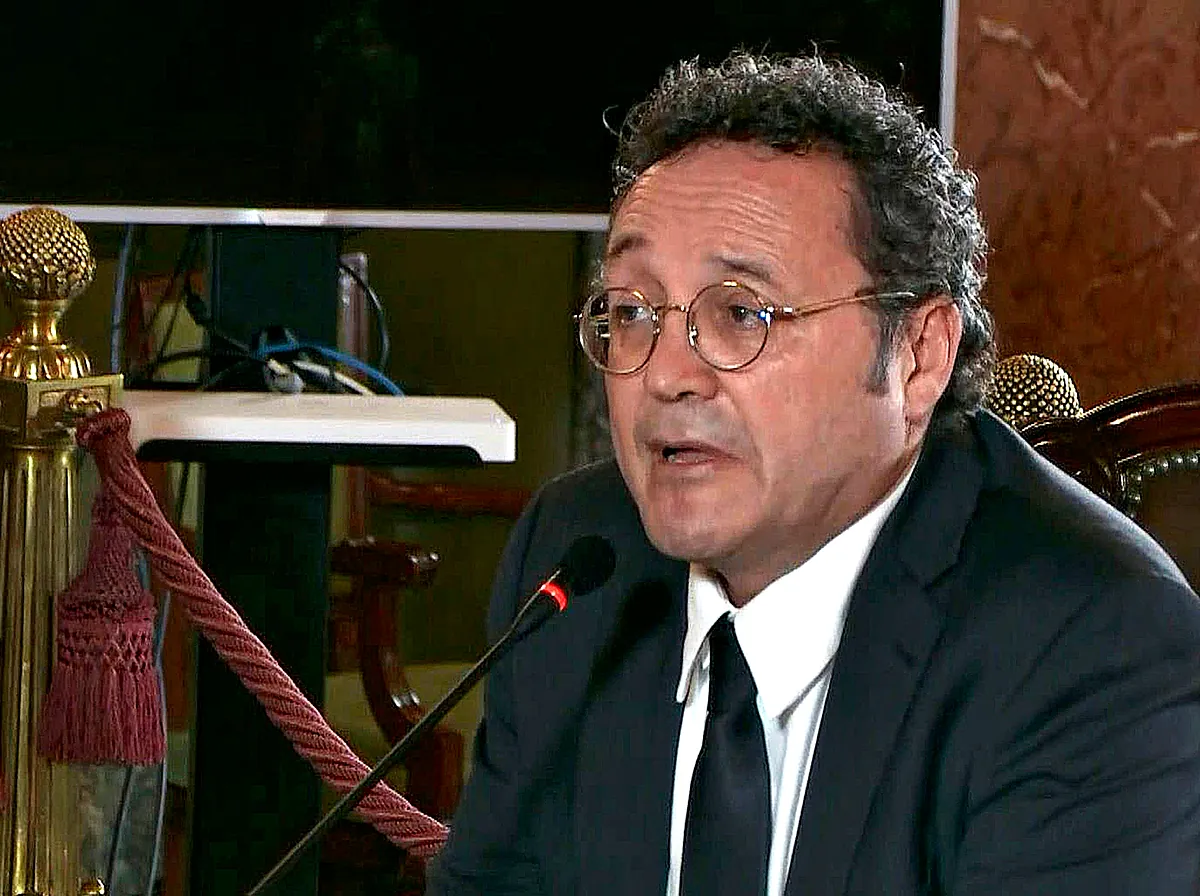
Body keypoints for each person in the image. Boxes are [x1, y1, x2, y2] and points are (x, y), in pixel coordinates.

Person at [427, 52, 1200, 895]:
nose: (666, 374)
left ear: (917, 356)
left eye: (741, 312)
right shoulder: (580, 561)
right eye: (633, 311)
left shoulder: (1092, 645)